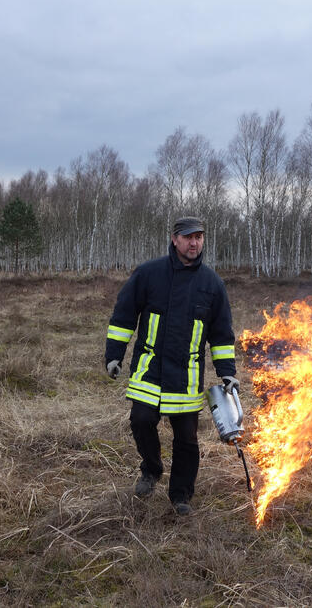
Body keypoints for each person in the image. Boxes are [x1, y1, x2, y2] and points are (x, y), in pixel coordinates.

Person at [105, 216, 238, 516]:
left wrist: (227, 372)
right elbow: (124, 316)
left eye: (199, 237)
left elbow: (221, 334)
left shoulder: (212, 284)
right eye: (188, 237)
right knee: (141, 420)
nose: (194, 243)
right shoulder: (149, 274)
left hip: (187, 377)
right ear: (174, 239)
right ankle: (151, 469)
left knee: (187, 439)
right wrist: (114, 356)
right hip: (149, 370)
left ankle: (180, 496)